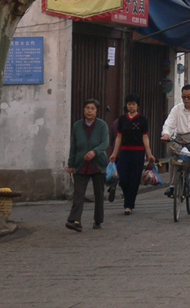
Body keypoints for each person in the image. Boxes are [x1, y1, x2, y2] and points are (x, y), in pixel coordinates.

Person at [66, 99, 110, 232]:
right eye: (87, 108)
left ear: (96, 111)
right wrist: (71, 164)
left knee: (98, 194)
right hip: (81, 163)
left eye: (92, 108)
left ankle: (98, 220)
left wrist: (95, 152)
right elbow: (73, 146)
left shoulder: (102, 125)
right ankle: (75, 220)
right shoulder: (77, 126)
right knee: (78, 194)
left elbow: (105, 143)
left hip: (98, 164)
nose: (89, 111)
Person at [108, 93, 156, 215]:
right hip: (124, 151)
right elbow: (118, 137)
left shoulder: (142, 120)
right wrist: (114, 154)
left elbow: (145, 137)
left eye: (133, 104)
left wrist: (149, 154)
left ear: (137, 106)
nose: (131, 106)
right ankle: (126, 195)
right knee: (123, 178)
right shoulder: (122, 119)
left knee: (134, 179)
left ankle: (129, 205)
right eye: (129, 104)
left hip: (138, 152)